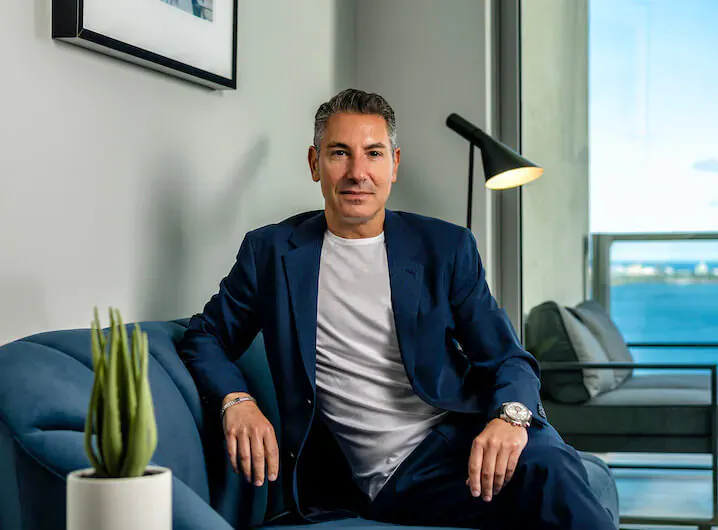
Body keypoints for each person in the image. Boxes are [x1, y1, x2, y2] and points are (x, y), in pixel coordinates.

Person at [178, 88, 616, 529]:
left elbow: (507, 358)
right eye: (339, 153)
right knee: (553, 473)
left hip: (465, 435)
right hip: (393, 480)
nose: (357, 173)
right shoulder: (271, 253)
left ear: (394, 164)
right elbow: (204, 336)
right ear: (314, 163)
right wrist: (237, 401)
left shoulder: (445, 247)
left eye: (373, 154)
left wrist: (510, 417)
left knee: (548, 459)